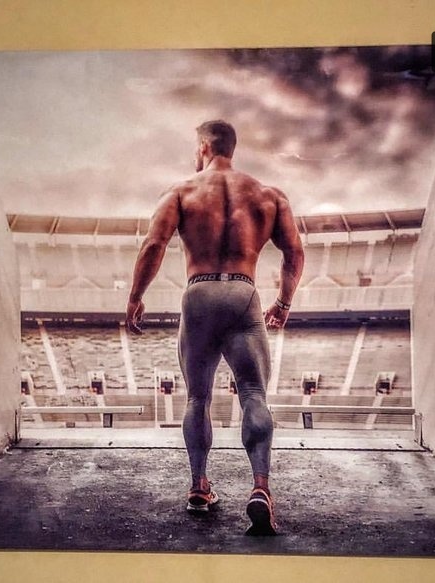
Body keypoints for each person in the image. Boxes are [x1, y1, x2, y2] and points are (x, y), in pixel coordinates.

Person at [126, 120, 304, 536]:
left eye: (196, 147)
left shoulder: (181, 192)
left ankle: (199, 487)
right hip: (243, 292)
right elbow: (294, 252)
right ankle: (260, 488)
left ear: (204, 145)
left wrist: (135, 296)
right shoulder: (269, 195)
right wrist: (283, 302)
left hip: (199, 292)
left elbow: (153, 244)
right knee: (253, 393)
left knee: (197, 398)